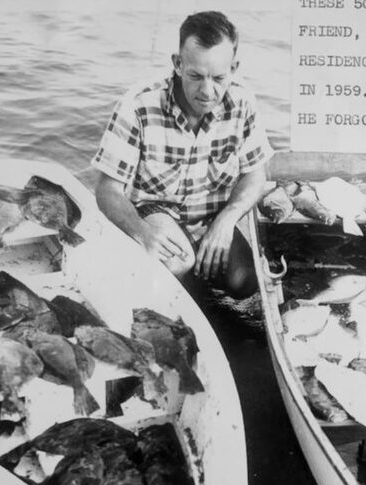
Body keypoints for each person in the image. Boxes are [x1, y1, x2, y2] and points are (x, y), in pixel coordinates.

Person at [91, 11, 273, 299]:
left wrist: (226, 221)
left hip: (211, 217)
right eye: (196, 76)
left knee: (245, 281)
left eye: (218, 78)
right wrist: (141, 231)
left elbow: (255, 175)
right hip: (154, 214)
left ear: (234, 68)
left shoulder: (244, 102)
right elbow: (106, 190)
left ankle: (193, 280)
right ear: (177, 64)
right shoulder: (137, 105)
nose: (207, 91)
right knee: (177, 261)